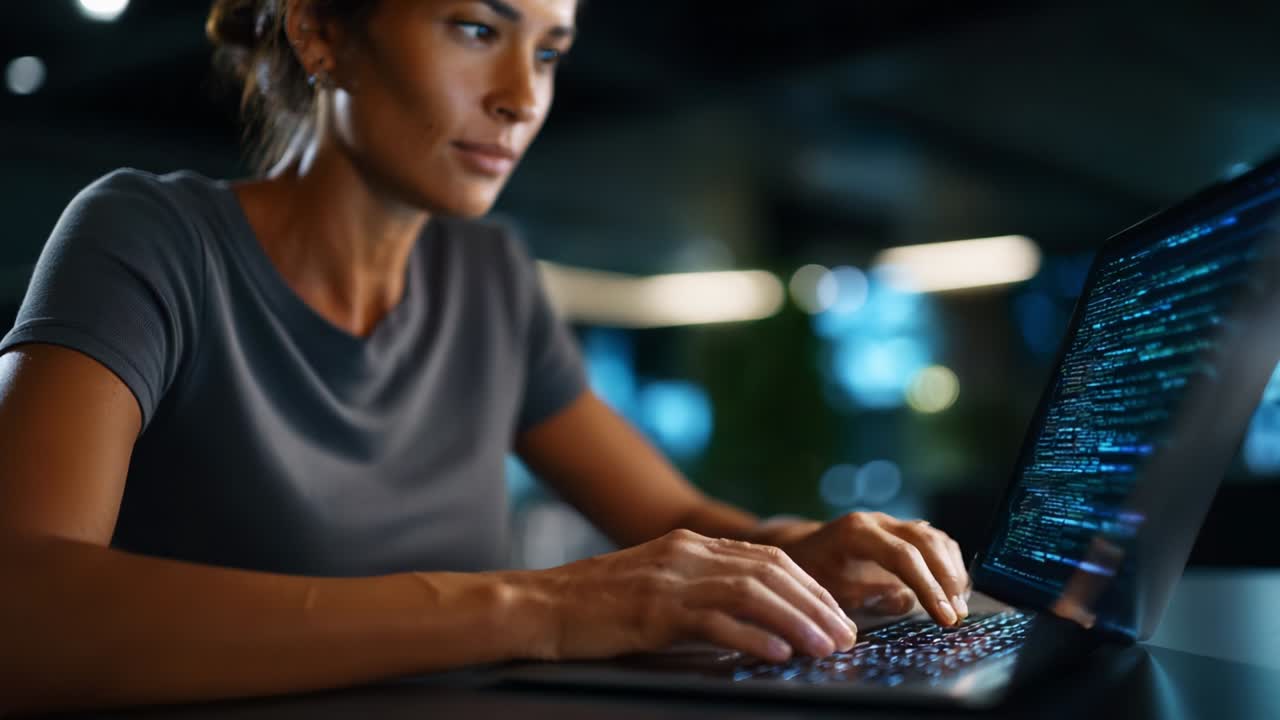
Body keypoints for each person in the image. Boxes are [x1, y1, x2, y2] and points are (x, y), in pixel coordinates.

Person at [0, 0, 971, 713]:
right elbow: (23, 609)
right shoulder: (149, 236)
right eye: (476, 28)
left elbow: (669, 514)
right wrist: (537, 607)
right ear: (320, 31)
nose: (521, 98)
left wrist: (796, 552)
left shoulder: (490, 276)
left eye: (547, 52)